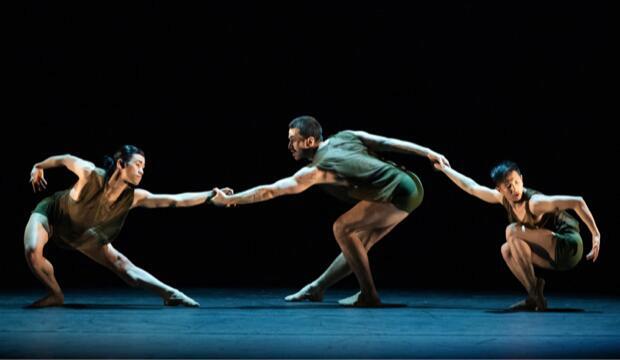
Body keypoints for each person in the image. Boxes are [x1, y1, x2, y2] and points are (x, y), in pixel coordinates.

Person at [210, 115, 449, 307]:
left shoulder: (316, 169)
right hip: (411, 184)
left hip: (398, 191)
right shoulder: (346, 136)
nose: (289, 145)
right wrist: (427, 151)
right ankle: (317, 288)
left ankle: (368, 295)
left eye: (293, 139)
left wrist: (234, 199)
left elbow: (271, 191)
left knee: (342, 228)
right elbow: (386, 143)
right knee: (356, 246)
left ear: (309, 142)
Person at [26, 145, 231, 308]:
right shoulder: (90, 174)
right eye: (138, 164)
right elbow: (65, 158)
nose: (142, 170)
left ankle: (172, 294)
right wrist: (39, 166)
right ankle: (55, 294)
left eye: (144, 167)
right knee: (33, 249)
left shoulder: (134, 197)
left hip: (82, 234)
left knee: (124, 267)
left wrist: (211, 196)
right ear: (121, 164)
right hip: (52, 216)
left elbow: (175, 200)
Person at [434, 160, 600, 310]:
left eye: (516, 182)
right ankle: (534, 294)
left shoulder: (535, 203)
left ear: (522, 179)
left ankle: (535, 294)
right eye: (508, 186)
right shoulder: (503, 199)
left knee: (511, 231)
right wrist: (446, 170)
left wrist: (595, 235)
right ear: (499, 189)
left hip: (568, 246)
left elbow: (577, 201)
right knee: (506, 250)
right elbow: (471, 187)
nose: (514, 188)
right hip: (550, 253)